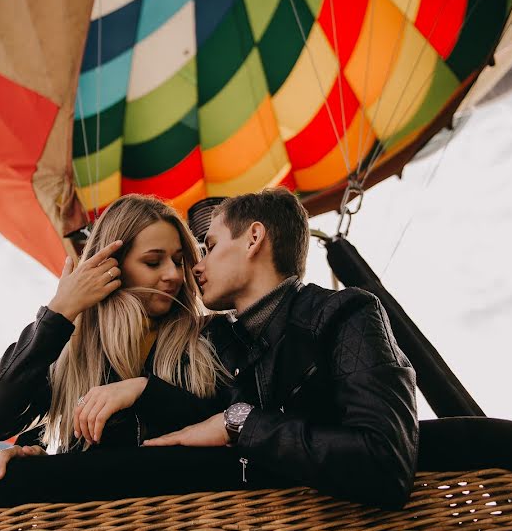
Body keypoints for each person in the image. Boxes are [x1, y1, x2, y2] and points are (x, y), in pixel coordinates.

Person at [143, 187, 419, 508]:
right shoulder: (227, 348)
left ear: (253, 238)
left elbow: (385, 463)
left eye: (211, 247)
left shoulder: (345, 314)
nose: (196, 268)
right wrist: (140, 390)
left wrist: (242, 423)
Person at [0, 194, 225, 484]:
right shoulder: (71, 352)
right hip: (95, 521)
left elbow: (237, 420)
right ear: (111, 267)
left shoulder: (208, 336)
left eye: (178, 261)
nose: (174, 275)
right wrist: (59, 313)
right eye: (153, 262)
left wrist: (144, 391)